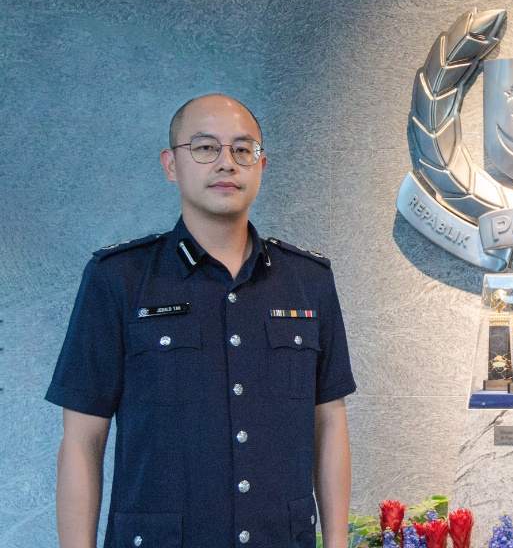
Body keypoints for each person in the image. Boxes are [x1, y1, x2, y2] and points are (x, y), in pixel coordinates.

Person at [46, 94, 356, 548]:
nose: (226, 163)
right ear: (171, 164)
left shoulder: (308, 282)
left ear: (261, 166)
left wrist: (336, 542)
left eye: (242, 149)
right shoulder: (119, 280)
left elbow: (329, 422)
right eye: (206, 147)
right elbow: (81, 440)